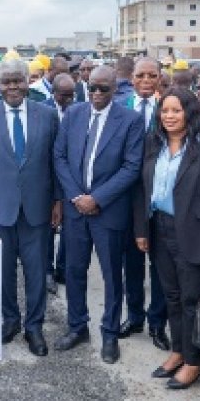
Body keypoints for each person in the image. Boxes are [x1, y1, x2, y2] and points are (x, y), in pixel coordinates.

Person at [133, 87, 200, 389]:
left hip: (197, 232)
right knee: (172, 297)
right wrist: (141, 229)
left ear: (189, 112)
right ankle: (178, 351)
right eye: (164, 111)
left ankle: (194, 361)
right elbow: (143, 189)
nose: (169, 116)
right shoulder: (154, 142)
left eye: (176, 110)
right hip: (160, 228)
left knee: (192, 300)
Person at [0, 58, 61, 357]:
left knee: (36, 272)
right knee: (4, 271)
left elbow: (55, 162)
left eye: (17, 80)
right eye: (6, 81)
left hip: (37, 208)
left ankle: (34, 327)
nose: (12, 87)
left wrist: (58, 201)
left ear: (27, 80)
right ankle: (10, 321)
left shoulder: (47, 116)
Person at [53, 65, 144, 364]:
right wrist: (77, 197)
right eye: (91, 86)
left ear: (115, 88)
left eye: (103, 88)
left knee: (110, 276)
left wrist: (97, 199)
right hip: (76, 209)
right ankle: (78, 327)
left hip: (108, 212)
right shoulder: (74, 114)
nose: (96, 93)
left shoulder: (130, 120)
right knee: (74, 271)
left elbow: (132, 167)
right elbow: (60, 156)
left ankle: (109, 334)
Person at [119, 58, 169, 352]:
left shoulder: (171, 107)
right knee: (132, 263)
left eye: (153, 75)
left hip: (160, 198)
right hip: (128, 198)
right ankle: (134, 315)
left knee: (161, 266)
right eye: (141, 76)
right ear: (131, 79)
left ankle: (157, 322)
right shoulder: (120, 106)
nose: (147, 80)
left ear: (160, 78)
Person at [44, 74, 75, 291]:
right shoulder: (42, 110)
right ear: (54, 93)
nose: (70, 99)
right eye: (65, 95)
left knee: (69, 228)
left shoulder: (78, 111)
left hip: (71, 177)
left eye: (72, 94)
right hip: (47, 176)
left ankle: (63, 269)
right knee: (49, 226)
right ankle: (47, 269)